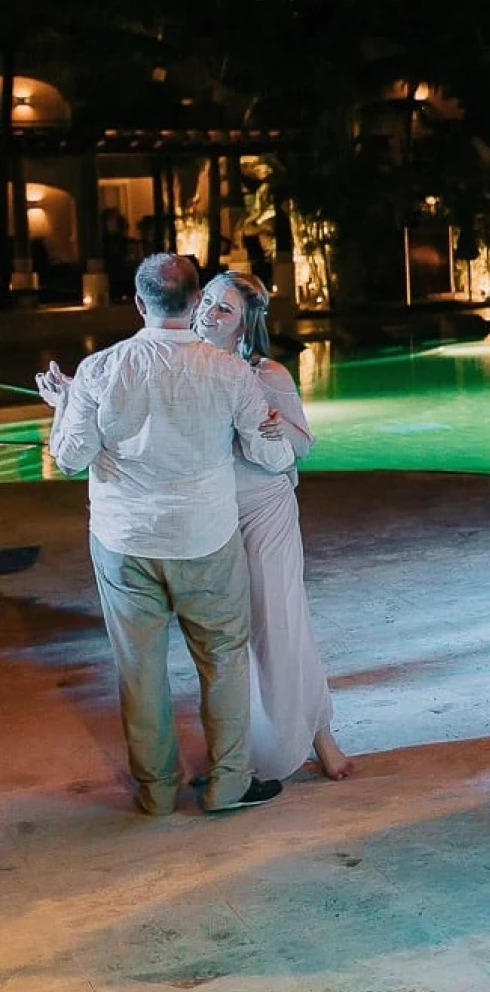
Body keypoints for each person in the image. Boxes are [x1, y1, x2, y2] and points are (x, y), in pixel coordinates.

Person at [36, 254, 292, 815]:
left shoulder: (100, 369)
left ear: (137, 302)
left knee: (139, 666)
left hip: (124, 540)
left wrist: (64, 406)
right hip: (206, 537)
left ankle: (155, 792)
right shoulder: (229, 372)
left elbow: (70, 458)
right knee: (223, 658)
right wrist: (275, 428)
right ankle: (228, 785)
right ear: (197, 301)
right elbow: (271, 457)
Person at [192, 272, 352, 784]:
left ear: (244, 326)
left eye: (225, 310)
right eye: (208, 302)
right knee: (230, 635)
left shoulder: (267, 373)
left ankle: (317, 735)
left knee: (279, 624)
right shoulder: (184, 366)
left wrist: (282, 426)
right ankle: (264, 742)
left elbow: (304, 446)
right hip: (212, 513)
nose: (209, 314)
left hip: (265, 509)